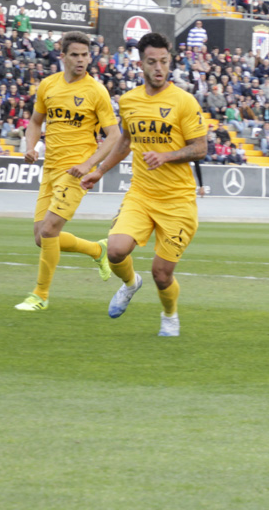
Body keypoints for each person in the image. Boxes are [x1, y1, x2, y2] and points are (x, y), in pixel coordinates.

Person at [79, 33, 207, 337]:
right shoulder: (130, 100)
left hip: (177, 201)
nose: (159, 67)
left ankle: (169, 313)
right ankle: (130, 283)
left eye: (164, 61)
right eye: (152, 62)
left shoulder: (184, 102)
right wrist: (100, 170)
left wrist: (167, 156)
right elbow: (124, 141)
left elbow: (200, 147)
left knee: (162, 275)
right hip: (141, 194)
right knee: (115, 251)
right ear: (141, 64)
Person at [15, 31, 122, 312]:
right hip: (50, 169)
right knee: (41, 238)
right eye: (74, 54)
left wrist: (89, 164)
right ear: (62, 56)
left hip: (76, 172)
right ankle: (98, 251)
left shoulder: (96, 90)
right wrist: (31, 146)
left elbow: (113, 135)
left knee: (50, 229)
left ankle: (40, 295)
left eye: (85, 55)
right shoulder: (48, 86)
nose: (81, 60)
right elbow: (35, 122)